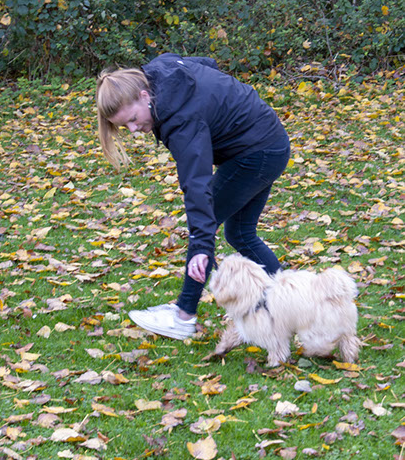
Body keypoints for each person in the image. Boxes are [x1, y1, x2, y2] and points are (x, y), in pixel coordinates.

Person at [96, 53, 290, 340]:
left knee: (205, 229)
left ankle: (184, 316)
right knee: (240, 233)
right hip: (267, 141)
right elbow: (207, 64)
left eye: (133, 120)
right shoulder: (162, 70)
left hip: (257, 152)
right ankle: (291, 303)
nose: (135, 130)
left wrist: (201, 245)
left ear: (144, 95)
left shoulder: (181, 119)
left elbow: (197, 185)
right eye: (127, 126)